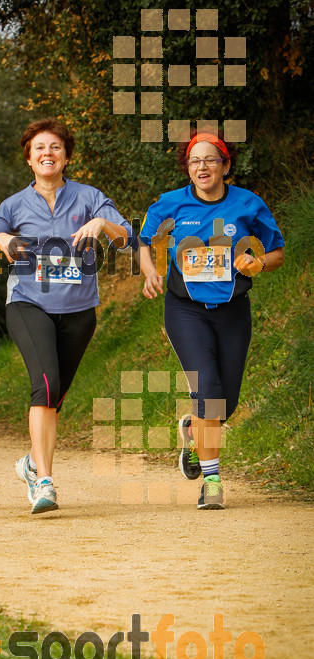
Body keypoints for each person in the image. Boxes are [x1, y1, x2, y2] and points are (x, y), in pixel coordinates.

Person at [0, 118, 134, 513]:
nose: (48, 154)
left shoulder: (88, 196)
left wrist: (102, 222)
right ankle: (44, 481)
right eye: (39, 148)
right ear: (29, 158)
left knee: (56, 394)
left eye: (55, 148)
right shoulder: (13, 205)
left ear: (66, 157)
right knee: (45, 385)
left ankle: (31, 463)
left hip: (79, 311)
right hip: (28, 303)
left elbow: (127, 237)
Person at [138, 130, 285, 509]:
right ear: (188, 169)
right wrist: (150, 270)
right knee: (208, 394)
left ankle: (192, 431)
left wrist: (258, 262)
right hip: (185, 309)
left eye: (210, 159)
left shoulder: (248, 204)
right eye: (194, 161)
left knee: (226, 402)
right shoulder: (170, 204)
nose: (202, 166)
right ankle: (213, 481)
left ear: (226, 165)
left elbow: (277, 252)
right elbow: (143, 240)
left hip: (233, 310)